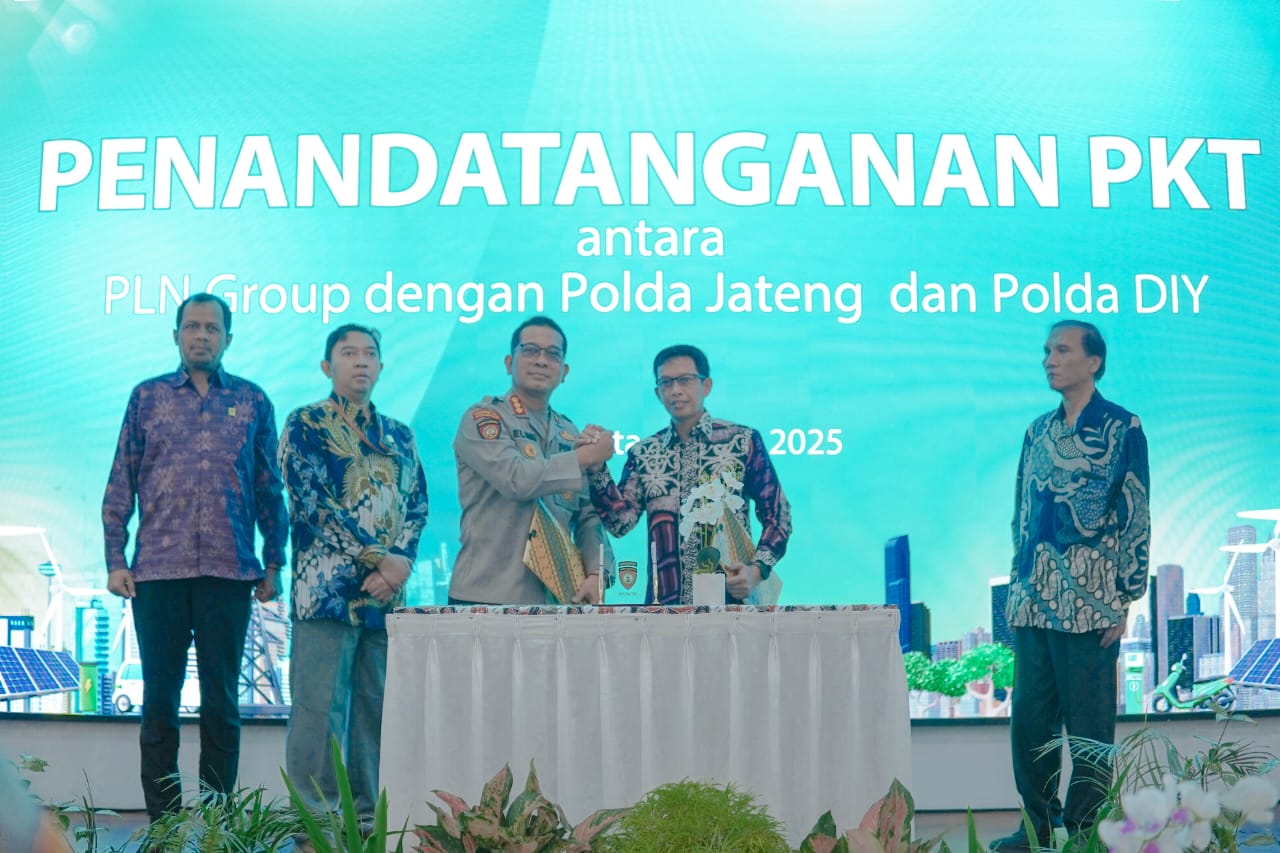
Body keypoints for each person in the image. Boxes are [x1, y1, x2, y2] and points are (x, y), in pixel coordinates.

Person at [102, 293, 287, 821]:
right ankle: (164, 824)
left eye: (211, 327)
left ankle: (216, 825)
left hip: (228, 573)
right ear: (176, 335)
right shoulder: (147, 397)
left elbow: (269, 487)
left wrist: (274, 562)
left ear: (228, 337)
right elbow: (121, 480)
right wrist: (115, 559)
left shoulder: (252, 400)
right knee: (160, 703)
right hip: (157, 573)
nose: (201, 335)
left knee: (222, 704)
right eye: (191, 326)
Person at [990, 321, 1150, 852]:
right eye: (1046, 351)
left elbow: (1135, 512)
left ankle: (1085, 832)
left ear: (1094, 361)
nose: (1049, 360)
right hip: (1033, 602)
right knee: (1030, 726)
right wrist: (1018, 584)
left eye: (1061, 351)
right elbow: (1021, 513)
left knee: (1089, 732)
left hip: (1092, 605)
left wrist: (1125, 597)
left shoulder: (1123, 427)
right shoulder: (1037, 431)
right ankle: (1036, 828)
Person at [279, 324, 428, 825]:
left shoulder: (400, 435)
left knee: (376, 712)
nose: (360, 361)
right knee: (318, 713)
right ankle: (315, 825)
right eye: (348, 353)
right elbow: (311, 503)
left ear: (381, 366)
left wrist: (400, 563)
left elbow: (417, 506)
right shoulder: (306, 423)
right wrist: (378, 557)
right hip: (325, 595)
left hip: (385, 599)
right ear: (328, 366)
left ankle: (369, 820)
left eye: (369, 353)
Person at [580, 344, 791, 604]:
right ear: (658, 393)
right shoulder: (644, 453)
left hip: (731, 604)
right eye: (666, 383)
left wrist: (756, 571)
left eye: (685, 380)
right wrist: (597, 469)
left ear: (706, 385)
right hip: (665, 609)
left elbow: (778, 515)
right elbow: (620, 524)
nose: (676, 390)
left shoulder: (741, 441)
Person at [449, 316, 614, 605]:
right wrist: (585, 457)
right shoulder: (483, 418)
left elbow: (587, 516)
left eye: (553, 354)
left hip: (556, 599)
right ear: (508, 363)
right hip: (485, 597)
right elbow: (517, 480)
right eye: (530, 350)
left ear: (564, 372)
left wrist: (597, 572)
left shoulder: (569, 432)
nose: (541, 361)